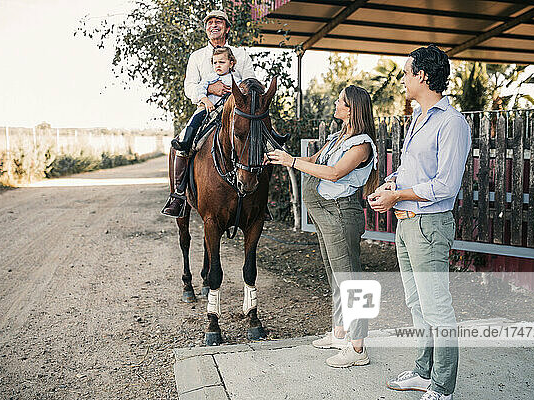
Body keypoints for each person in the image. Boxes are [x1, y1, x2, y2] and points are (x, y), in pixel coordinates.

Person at [368, 45, 471, 400]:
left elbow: (445, 185)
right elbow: (413, 169)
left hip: (430, 226)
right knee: (416, 304)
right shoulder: (418, 117)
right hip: (407, 225)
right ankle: (423, 373)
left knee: (437, 307)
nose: (403, 79)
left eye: (407, 72)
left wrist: (398, 196)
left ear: (423, 76)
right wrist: (390, 184)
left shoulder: (451, 122)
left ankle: (443, 387)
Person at [267, 85, 378, 368]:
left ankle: (358, 349)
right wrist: (281, 156)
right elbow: (313, 162)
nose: (335, 104)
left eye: (340, 101)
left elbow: (334, 172)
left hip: (341, 213)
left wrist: (292, 161)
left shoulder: (361, 144)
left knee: (351, 279)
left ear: (352, 109)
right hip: (326, 213)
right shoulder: (337, 137)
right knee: (335, 276)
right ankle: (340, 333)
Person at [161, 10, 255, 217]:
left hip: (236, 112)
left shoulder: (241, 55)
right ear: (206, 30)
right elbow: (189, 86)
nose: (213, 25)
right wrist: (209, 91)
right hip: (207, 109)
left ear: (227, 28)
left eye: (218, 22)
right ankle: (178, 196)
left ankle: (260, 201)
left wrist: (237, 90)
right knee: (184, 141)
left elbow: (251, 82)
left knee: (259, 137)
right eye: (209, 23)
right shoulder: (197, 57)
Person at [171, 46, 241, 152]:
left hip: (228, 110)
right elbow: (200, 89)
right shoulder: (210, 77)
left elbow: (241, 95)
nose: (218, 65)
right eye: (215, 63)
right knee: (197, 117)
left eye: (222, 62)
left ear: (231, 63)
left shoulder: (236, 80)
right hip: (209, 108)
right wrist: (206, 101)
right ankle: (186, 142)